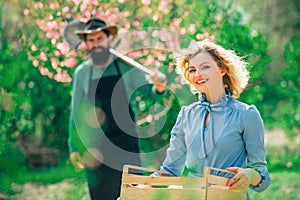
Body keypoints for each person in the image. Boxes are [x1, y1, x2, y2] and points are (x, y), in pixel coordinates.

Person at [154, 40, 271, 199]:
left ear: (222, 69)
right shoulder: (186, 115)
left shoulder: (246, 114)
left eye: (205, 67)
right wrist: (138, 188)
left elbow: (261, 174)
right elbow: (170, 170)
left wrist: (249, 175)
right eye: (192, 70)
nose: (198, 74)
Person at [68, 18, 167, 200]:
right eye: (91, 40)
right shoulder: (82, 72)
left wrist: (158, 87)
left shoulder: (125, 67)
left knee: (132, 195)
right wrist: (74, 146)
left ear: (109, 39)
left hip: (126, 144)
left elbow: (150, 93)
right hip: (95, 148)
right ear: (86, 44)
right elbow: (76, 112)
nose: (96, 43)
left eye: (100, 38)